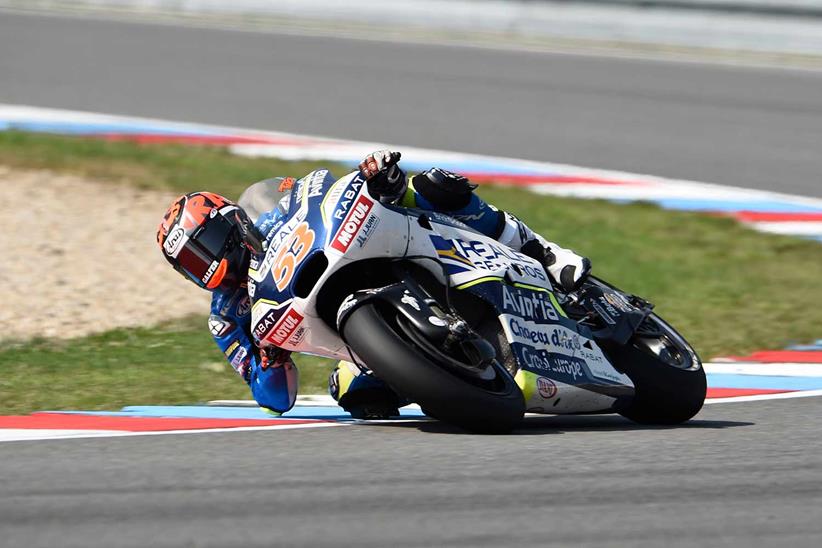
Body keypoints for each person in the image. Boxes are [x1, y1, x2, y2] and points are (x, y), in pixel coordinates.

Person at [156, 151, 591, 418]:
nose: (208, 264)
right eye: (193, 263)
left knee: (432, 185)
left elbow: (318, 191)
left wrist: (370, 175)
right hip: (346, 330)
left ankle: (541, 250)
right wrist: (268, 354)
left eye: (205, 246)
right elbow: (276, 398)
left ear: (230, 220)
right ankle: (452, 378)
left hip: (381, 244)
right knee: (354, 393)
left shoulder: (268, 209)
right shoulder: (227, 319)